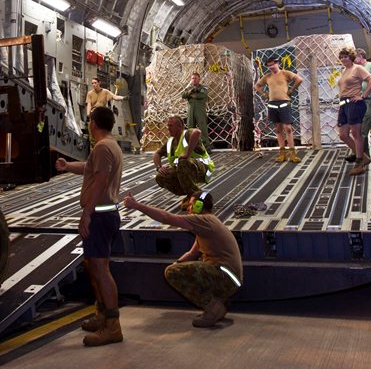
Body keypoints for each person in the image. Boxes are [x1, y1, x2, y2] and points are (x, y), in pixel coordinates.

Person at [55, 106, 125, 347]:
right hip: (103, 214)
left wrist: (86, 214)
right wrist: (66, 166)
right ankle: (103, 315)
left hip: (100, 216)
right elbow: (90, 170)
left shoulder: (104, 147)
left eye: (89, 120)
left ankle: (112, 326)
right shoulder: (108, 146)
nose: (88, 123)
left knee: (101, 269)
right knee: (94, 267)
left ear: (94, 123)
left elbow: (101, 180)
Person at [123, 190, 242, 327]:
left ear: (199, 205)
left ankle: (213, 308)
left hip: (225, 277)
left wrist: (137, 206)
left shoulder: (203, 220)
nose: (188, 208)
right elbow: (192, 253)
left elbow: (167, 218)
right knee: (183, 267)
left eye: (192, 205)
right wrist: (177, 263)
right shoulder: (209, 222)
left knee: (173, 273)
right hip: (229, 277)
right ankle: (220, 301)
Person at [254, 58, 304, 162]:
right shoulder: (268, 76)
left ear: (277, 63)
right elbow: (257, 86)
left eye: (273, 64)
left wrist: (291, 90)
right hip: (272, 104)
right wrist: (265, 94)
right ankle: (282, 153)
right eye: (269, 65)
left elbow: (299, 79)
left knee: (288, 128)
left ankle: (292, 153)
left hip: (284, 103)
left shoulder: (285, 73)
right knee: (278, 129)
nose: (271, 67)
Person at [336, 48, 371, 174]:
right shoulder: (344, 70)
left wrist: (363, 95)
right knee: (343, 135)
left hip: (355, 104)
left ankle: (359, 163)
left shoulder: (357, 68)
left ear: (351, 57)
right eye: (341, 57)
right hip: (344, 104)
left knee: (356, 134)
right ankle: (363, 157)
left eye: (345, 56)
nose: (343, 59)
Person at [153, 116, 214, 197]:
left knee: (183, 162)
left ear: (180, 127)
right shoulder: (171, 142)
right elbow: (157, 154)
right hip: (184, 170)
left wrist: (187, 154)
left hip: (203, 169)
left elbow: (197, 132)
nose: (168, 128)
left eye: (171, 126)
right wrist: (159, 167)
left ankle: (198, 196)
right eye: (168, 126)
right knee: (161, 177)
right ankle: (193, 194)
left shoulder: (187, 134)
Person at [84, 78, 124, 149]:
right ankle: (93, 150)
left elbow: (115, 97)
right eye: (92, 83)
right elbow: (89, 104)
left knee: (103, 133)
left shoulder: (105, 92)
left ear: (99, 83)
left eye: (95, 83)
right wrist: (88, 114)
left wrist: (124, 98)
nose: (94, 84)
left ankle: (102, 148)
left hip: (102, 114)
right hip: (94, 114)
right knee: (92, 134)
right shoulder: (90, 93)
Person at [181, 72, 210, 151]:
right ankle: (191, 149)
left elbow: (203, 95)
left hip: (200, 111)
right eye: (192, 78)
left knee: (203, 129)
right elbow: (183, 95)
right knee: (190, 129)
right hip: (191, 111)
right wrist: (189, 92)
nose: (193, 80)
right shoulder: (189, 88)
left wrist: (194, 95)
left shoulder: (203, 88)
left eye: (195, 78)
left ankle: (206, 148)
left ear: (199, 79)